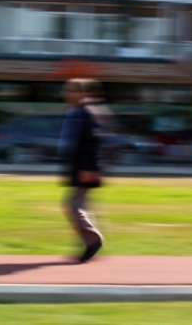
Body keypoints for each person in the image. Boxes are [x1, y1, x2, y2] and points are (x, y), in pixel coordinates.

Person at [58, 78, 104, 263]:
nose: (66, 94)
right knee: (80, 206)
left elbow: (94, 143)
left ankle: (94, 240)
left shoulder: (86, 114)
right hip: (78, 167)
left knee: (72, 205)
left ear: (81, 94)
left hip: (85, 168)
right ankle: (86, 243)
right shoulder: (75, 112)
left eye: (70, 90)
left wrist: (89, 168)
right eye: (65, 90)